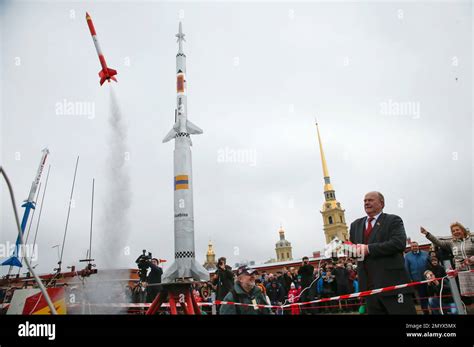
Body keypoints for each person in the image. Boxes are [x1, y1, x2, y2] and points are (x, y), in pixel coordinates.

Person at [349, 191, 416, 314]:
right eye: (365, 201)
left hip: (393, 286)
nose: (367, 203)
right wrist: (343, 250)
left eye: (370, 200)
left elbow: (398, 243)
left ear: (381, 203)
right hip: (369, 288)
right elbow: (355, 250)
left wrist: (368, 249)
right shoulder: (355, 225)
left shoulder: (393, 220)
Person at [404, 241, 430, 314]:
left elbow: (430, 264)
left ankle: (434, 310)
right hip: (417, 280)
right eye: (413, 246)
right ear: (411, 247)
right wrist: (410, 279)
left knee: (430, 295)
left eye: (415, 246)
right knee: (422, 296)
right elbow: (406, 268)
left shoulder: (425, 253)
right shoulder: (407, 256)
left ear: (418, 246)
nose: (414, 247)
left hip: (428, 279)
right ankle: (425, 311)